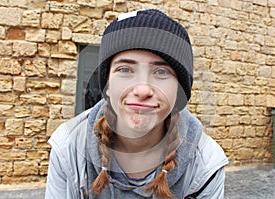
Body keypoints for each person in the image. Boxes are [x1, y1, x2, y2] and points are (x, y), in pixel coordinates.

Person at [45, 9, 228, 199]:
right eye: (125, 69)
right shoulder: (69, 147)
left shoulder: (205, 162)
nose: (142, 90)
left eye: (161, 72)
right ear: (107, 86)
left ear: (178, 91)